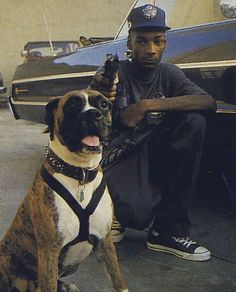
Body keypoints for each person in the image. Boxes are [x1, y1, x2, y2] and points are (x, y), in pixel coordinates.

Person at [91, 4, 216, 262]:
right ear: (130, 42)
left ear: (165, 43)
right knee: (135, 214)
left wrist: (146, 105)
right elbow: (89, 113)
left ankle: (166, 231)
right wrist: (98, 96)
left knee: (194, 121)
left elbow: (207, 102)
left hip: (154, 153)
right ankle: (113, 212)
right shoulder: (116, 74)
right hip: (119, 157)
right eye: (142, 41)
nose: (150, 49)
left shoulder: (169, 74)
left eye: (157, 41)